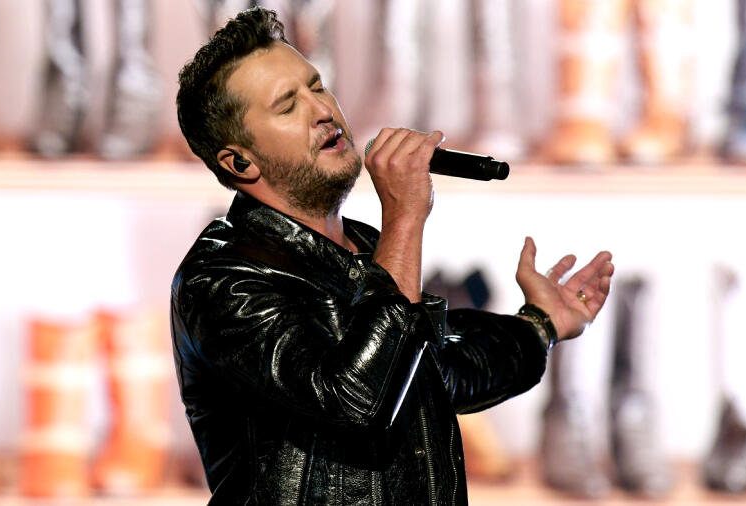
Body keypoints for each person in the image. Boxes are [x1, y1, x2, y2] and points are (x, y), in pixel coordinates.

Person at [171, 7, 614, 505]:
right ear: (239, 161)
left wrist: (542, 323)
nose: (322, 110)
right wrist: (404, 219)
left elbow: (438, 373)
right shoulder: (220, 280)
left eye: (317, 87)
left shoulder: (362, 247)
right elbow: (357, 399)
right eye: (287, 106)